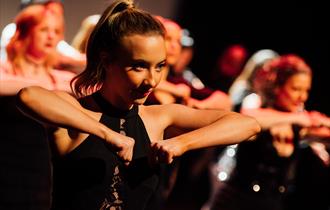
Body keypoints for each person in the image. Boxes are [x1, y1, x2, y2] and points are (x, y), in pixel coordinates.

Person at [15, 1, 261, 210]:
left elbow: (247, 125)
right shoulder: (78, 113)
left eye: (159, 66)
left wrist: (181, 143)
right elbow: (28, 96)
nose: (152, 81)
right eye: (138, 66)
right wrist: (107, 134)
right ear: (107, 61)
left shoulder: (159, 118)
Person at [208, 54, 330, 210]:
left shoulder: (298, 125)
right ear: (277, 87)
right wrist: (297, 117)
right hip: (236, 202)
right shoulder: (259, 108)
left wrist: (324, 121)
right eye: (296, 89)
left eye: (306, 90)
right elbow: (250, 118)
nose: (302, 97)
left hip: (272, 204)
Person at [0, 2, 76, 209]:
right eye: (44, 30)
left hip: (42, 169)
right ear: (25, 33)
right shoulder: (5, 70)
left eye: (56, 31)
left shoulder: (60, 78)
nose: (52, 36)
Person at [147, 16, 232, 111]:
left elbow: (225, 101)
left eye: (179, 42)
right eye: (168, 38)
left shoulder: (180, 83)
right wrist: (173, 90)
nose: (174, 46)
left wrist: (198, 105)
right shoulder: (141, 80)